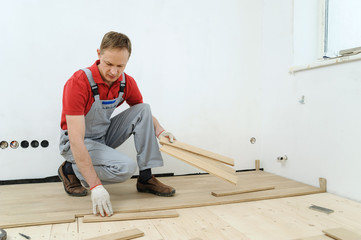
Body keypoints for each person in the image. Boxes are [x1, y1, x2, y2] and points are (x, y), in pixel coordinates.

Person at [58, 31, 176, 217]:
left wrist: (160, 131)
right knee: (126, 168)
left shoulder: (125, 82)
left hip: (102, 136)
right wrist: (96, 186)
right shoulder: (79, 83)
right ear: (99, 54)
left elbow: (142, 115)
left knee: (143, 108)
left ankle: (146, 178)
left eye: (120, 66)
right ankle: (70, 168)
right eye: (109, 64)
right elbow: (75, 140)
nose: (114, 72)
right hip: (75, 142)